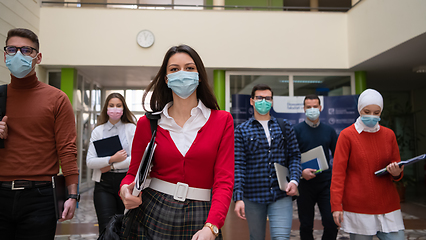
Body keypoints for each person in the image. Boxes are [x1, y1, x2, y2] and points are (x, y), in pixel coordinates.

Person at [119, 45, 234, 240]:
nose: (182, 73)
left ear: (199, 75)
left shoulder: (222, 120)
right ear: (166, 79)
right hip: (153, 209)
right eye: (174, 69)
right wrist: (124, 188)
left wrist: (212, 226)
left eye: (189, 68)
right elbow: (133, 173)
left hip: (202, 215)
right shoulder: (147, 123)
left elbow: (224, 180)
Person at [0, 28, 79, 239]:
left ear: (38, 57)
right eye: (12, 49)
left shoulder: (57, 99)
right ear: (5, 54)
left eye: (26, 50)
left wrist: (72, 195)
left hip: (41, 197)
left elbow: (67, 149)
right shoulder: (0, 96)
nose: (18, 55)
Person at [330, 89, 405, 240]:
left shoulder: (389, 135)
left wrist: (396, 172)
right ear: (359, 110)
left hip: (388, 204)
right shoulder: (347, 135)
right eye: (367, 111)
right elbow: (338, 174)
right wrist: (336, 206)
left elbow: (397, 167)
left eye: (376, 112)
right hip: (359, 208)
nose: (372, 116)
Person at [233, 84, 302, 240]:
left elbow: (295, 156)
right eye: (259, 98)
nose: (263, 101)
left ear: (272, 101)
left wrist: (294, 180)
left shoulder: (284, 126)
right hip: (253, 196)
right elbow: (238, 165)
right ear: (252, 101)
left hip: (281, 193)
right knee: (256, 237)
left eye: (267, 98)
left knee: (281, 238)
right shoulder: (242, 130)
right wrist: (238, 197)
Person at [86, 92, 136, 234]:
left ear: (123, 108)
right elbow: (90, 161)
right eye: (111, 105)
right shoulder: (98, 131)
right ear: (106, 108)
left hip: (126, 182)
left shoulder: (131, 129)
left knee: (125, 226)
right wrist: (112, 158)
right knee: (106, 227)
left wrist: (111, 165)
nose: (115, 109)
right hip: (103, 184)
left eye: (118, 106)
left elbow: (135, 159)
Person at [293, 94, 338, 240]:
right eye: (308, 107)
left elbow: (338, 156)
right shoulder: (296, 130)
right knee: (306, 224)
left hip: (325, 183)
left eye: (315, 107)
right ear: (304, 109)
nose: (312, 109)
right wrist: (300, 172)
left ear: (320, 108)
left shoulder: (329, 131)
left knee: (331, 222)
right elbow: (290, 157)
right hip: (305, 184)